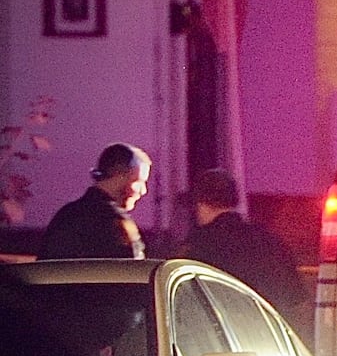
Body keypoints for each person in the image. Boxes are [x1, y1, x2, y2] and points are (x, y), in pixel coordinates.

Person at [181, 168, 311, 337]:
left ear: (201, 204)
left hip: (221, 338)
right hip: (270, 338)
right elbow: (296, 299)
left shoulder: (199, 246)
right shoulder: (268, 239)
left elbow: (186, 304)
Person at [37, 142, 149, 259]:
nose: (143, 191)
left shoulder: (65, 215)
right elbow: (132, 271)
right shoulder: (117, 224)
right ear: (119, 175)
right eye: (138, 181)